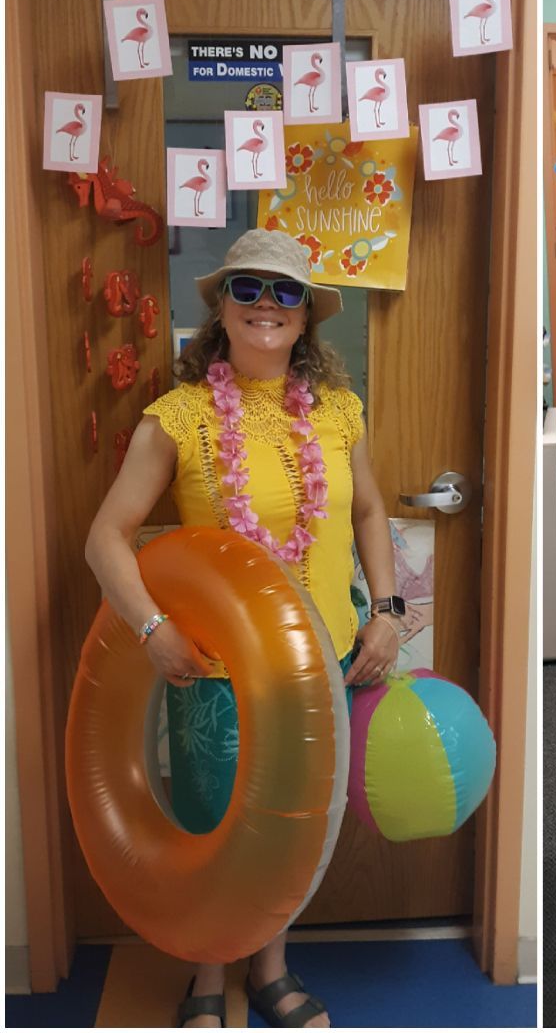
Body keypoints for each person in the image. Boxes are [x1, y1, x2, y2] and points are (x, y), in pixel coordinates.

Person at [85, 229, 407, 1028]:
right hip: (216, 669)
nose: (267, 306)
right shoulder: (180, 417)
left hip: (324, 661)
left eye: (286, 292)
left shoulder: (339, 412)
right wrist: (151, 627)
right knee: (216, 826)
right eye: (248, 289)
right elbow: (104, 538)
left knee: (292, 831)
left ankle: (270, 971)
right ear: (222, 309)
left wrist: (388, 611)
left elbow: (369, 510)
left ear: (307, 317)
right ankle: (206, 978)